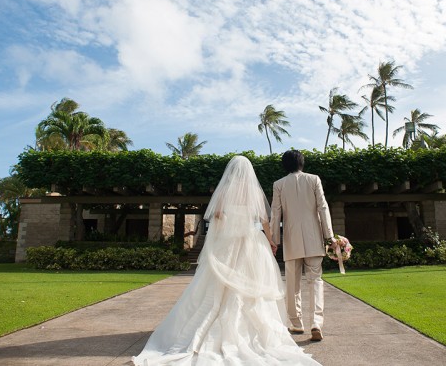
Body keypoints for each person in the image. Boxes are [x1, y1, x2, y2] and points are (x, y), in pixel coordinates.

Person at [131, 156, 320, 366]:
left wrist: (226, 230)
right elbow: (265, 220)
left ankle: (209, 329)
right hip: (251, 241)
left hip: (228, 242)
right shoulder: (254, 191)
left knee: (216, 287)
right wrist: (271, 240)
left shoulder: (225, 190)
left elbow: (217, 215)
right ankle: (249, 331)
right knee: (252, 286)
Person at [270, 150, 337, 342]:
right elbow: (323, 208)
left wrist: (274, 240)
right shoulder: (314, 179)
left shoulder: (279, 184)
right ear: (302, 163)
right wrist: (329, 236)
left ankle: (296, 324)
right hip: (314, 238)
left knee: (292, 284)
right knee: (315, 281)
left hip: (291, 240)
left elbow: (276, 213)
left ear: (285, 165)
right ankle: (316, 322)